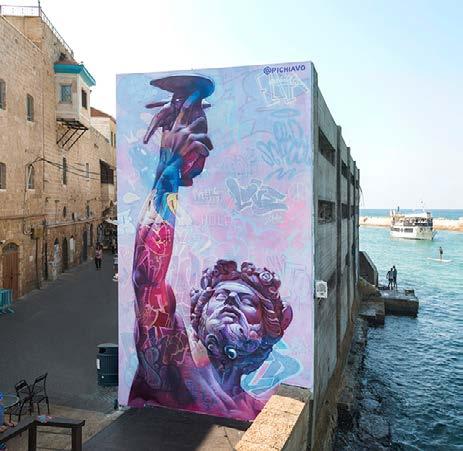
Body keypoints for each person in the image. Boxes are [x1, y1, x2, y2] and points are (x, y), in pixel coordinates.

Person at [128, 75, 293, 421]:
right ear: (198, 316)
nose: (230, 301)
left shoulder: (257, 409)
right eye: (220, 296)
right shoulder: (172, 362)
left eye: (246, 301)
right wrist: (167, 174)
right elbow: (147, 280)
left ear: (271, 328)